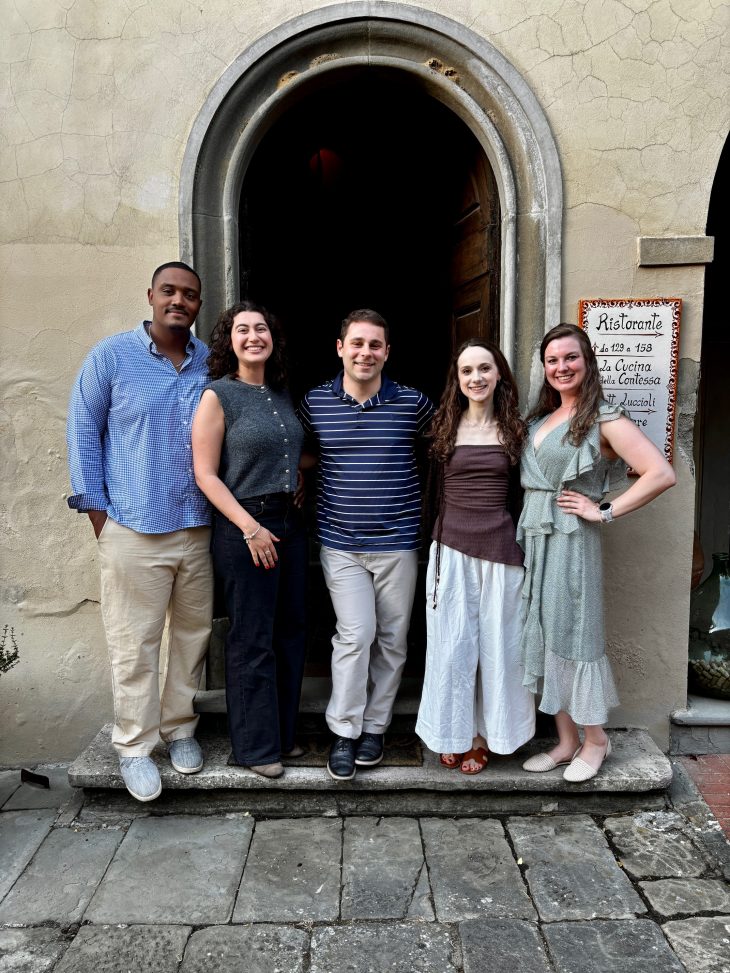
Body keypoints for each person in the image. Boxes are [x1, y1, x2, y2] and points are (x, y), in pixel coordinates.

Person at [66, 261, 213, 802]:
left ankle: (180, 730)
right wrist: (99, 516)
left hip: (197, 526)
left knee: (193, 637)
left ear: (199, 304)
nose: (179, 301)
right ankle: (134, 746)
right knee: (134, 645)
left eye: (190, 295)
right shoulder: (111, 357)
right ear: (151, 295)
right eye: (170, 291)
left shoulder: (209, 362)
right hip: (132, 525)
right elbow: (82, 431)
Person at [519, 323, 676, 781]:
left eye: (570, 357)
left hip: (572, 540)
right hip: (536, 537)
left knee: (576, 632)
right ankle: (566, 741)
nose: (561, 367)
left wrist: (602, 510)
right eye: (552, 360)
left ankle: (596, 740)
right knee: (548, 632)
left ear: (587, 362)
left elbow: (660, 474)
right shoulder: (539, 419)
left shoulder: (604, 418)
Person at [298, 309, 435, 780]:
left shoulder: (412, 403)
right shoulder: (314, 402)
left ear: (387, 352)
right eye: (357, 343)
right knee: (356, 635)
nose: (365, 352)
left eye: (375, 345)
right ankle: (345, 730)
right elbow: (299, 450)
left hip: (399, 541)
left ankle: (376, 727)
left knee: (393, 640)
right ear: (340, 347)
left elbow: (447, 444)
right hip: (341, 541)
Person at [192, 301, 307, 779]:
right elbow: (206, 474)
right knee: (252, 639)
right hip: (247, 527)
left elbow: (290, 453)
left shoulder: (281, 395)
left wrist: (300, 474)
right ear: (229, 341)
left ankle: (281, 736)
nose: (254, 336)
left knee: (291, 633)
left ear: (272, 339)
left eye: (262, 328)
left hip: (288, 522)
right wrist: (250, 527)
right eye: (243, 330)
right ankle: (255, 750)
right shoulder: (217, 396)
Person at [416, 339, 535, 774]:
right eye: (467, 371)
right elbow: (429, 494)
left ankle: (487, 736)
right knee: (452, 648)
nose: (476, 378)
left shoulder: (519, 431)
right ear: (458, 380)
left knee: (499, 649)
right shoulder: (442, 427)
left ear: (498, 374)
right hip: (450, 551)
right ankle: (455, 732)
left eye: (484, 369)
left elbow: (531, 495)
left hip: (502, 552)